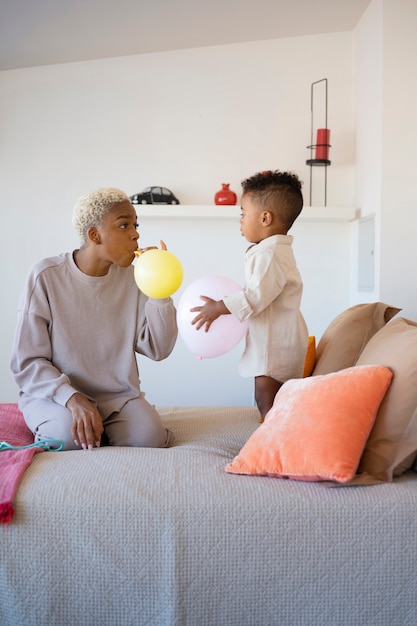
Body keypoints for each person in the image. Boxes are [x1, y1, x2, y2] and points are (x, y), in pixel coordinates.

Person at [10, 188, 178, 450]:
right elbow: (27, 362)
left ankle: (104, 427)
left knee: (150, 439)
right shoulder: (45, 276)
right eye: (124, 225)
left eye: (135, 225)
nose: (135, 234)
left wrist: (160, 289)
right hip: (56, 397)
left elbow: (159, 349)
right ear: (94, 235)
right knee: (65, 439)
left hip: (118, 399)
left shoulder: (137, 279)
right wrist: (72, 398)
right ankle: (76, 421)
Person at [191, 170, 308, 422]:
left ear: (265, 218)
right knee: (270, 396)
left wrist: (219, 308)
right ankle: (275, 432)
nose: (241, 220)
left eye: (243, 213)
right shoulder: (270, 251)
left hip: (274, 345)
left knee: (266, 397)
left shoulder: (270, 255)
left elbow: (255, 297)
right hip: (275, 340)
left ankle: (273, 438)